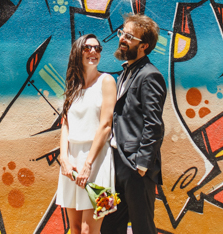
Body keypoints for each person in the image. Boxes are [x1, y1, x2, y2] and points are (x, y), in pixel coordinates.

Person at [101, 14, 166, 234]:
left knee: (142, 227)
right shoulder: (125, 73)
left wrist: (141, 165)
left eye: (129, 36)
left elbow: (154, 125)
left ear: (144, 45)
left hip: (134, 167)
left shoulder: (150, 76)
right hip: (115, 165)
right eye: (122, 33)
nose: (122, 38)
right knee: (108, 227)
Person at [57, 34, 118, 234]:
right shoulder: (73, 85)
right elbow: (66, 124)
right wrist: (63, 159)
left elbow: (106, 126)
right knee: (75, 229)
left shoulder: (107, 81)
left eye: (97, 48)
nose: (93, 52)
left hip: (98, 161)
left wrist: (88, 165)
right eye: (87, 47)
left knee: (88, 231)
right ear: (78, 52)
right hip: (72, 162)